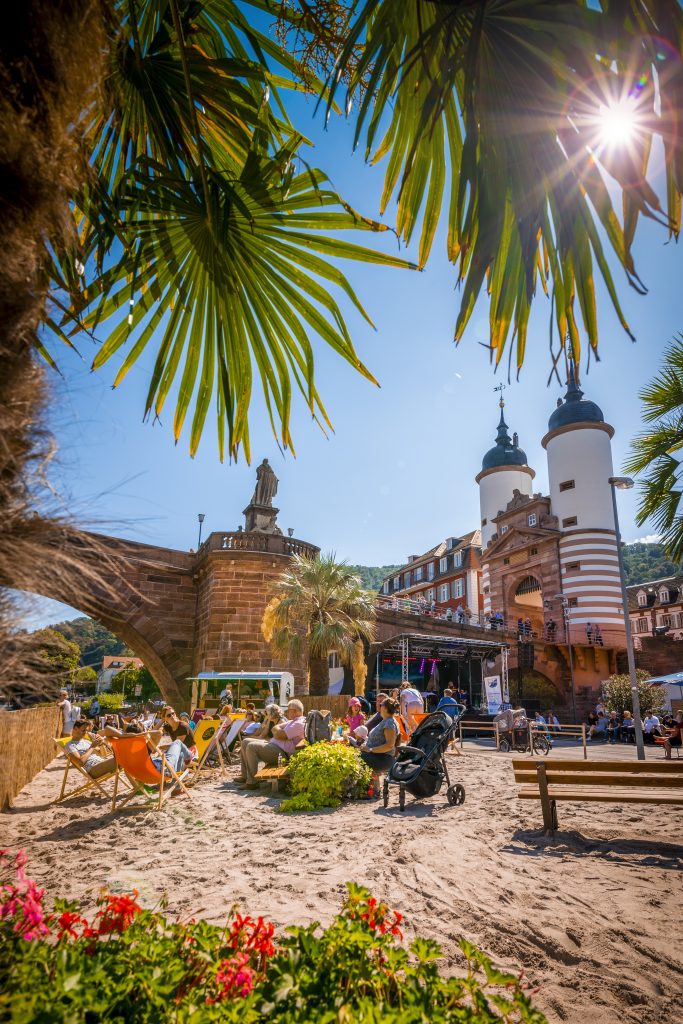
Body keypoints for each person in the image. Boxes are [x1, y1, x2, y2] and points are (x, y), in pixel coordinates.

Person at [235, 699, 306, 788]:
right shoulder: (293, 721)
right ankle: (245, 776)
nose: (287, 712)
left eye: (288, 710)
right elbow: (274, 730)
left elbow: (279, 735)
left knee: (251, 746)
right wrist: (277, 730)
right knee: (245, 742)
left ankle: (252, 783)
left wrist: (277, 730)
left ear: (294, 711)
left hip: (282, 754)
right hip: (276, 747)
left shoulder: (298, 723)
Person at [358, 698, 400, 773]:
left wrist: (370, 749)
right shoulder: (386, 721)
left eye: (381, 705)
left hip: (382, 758)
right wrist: (365, 745)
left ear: (385, 708)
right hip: (375, 755)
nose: (379, 706)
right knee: (353, 754)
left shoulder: (389, 723)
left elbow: (389, 746)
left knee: (353, 759)